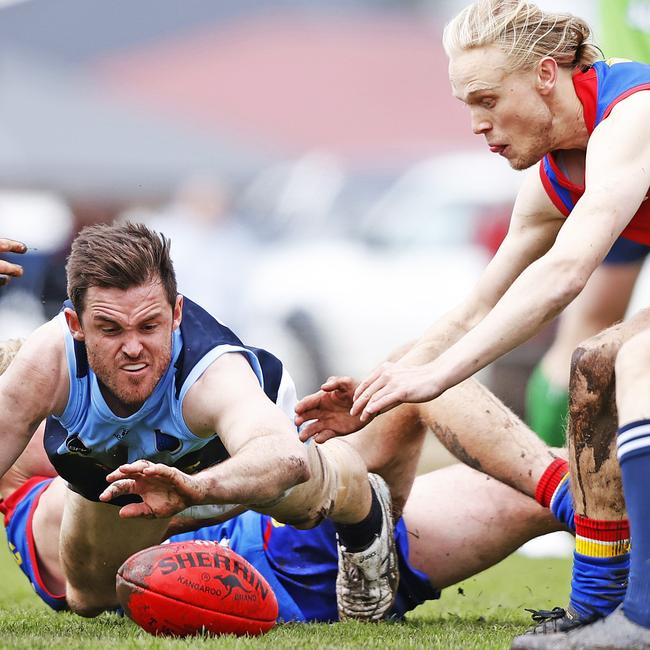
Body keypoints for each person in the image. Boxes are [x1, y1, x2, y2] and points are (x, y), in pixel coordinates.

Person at [288, 1, 650, 647]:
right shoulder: (552, 178)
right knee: (594, 363)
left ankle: (638, 616)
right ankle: (601, 610)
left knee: (625, 360)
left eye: (486, 99)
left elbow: (568, 271)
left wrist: (435, 378)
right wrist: (382, 390)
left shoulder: (635, 114)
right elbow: (475, 307)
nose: (478, 125)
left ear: (545, 74)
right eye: (467, 106)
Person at [0, 221, 398, 623]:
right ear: (75, 326)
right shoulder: (44, 363)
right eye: (110, 329)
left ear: (176, 313)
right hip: (132, 479)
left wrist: (197, 488)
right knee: (88, 597)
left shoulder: (213, 373)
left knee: (307, 496)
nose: (134, 348)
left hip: (236, 467)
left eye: (149, 326)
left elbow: (283, 458)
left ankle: (362, 499)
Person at [0, 339, 562, 623]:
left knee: (415, 374)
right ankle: (576, 503)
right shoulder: (42, 510)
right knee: (421, 375)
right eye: (41, 413)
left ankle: (583, 500)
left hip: (312, 526)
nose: (66, 418)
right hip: (301, 560)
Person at [524, 0, 650, 448]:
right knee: (588, 327)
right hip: (620, 143)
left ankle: (550, 471)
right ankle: (552, 469)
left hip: (616, 140)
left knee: (588, 328)